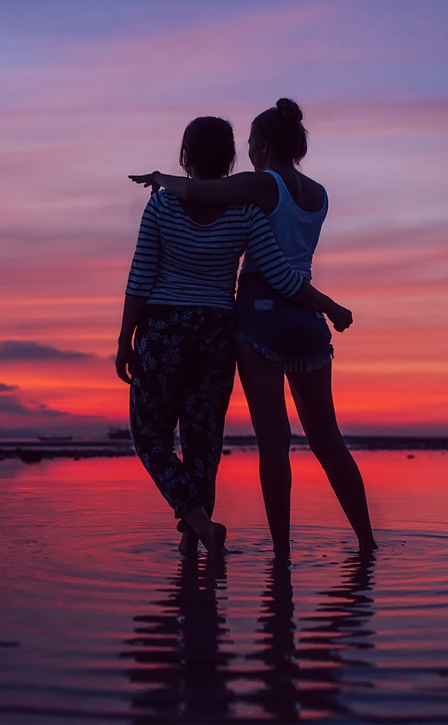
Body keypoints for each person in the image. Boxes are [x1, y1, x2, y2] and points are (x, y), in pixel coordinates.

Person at [130, 99, 377, 555]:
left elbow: (199, 193)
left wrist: (163, 179)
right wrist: (328, 307)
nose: (247, 153)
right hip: (307, 317)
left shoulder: (261, 186)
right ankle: (367, 541)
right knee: (327, 438)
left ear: (262, 145)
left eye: (249, 145)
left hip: (262, 312)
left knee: (273, 440)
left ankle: (281, 554)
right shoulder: (319, 194)